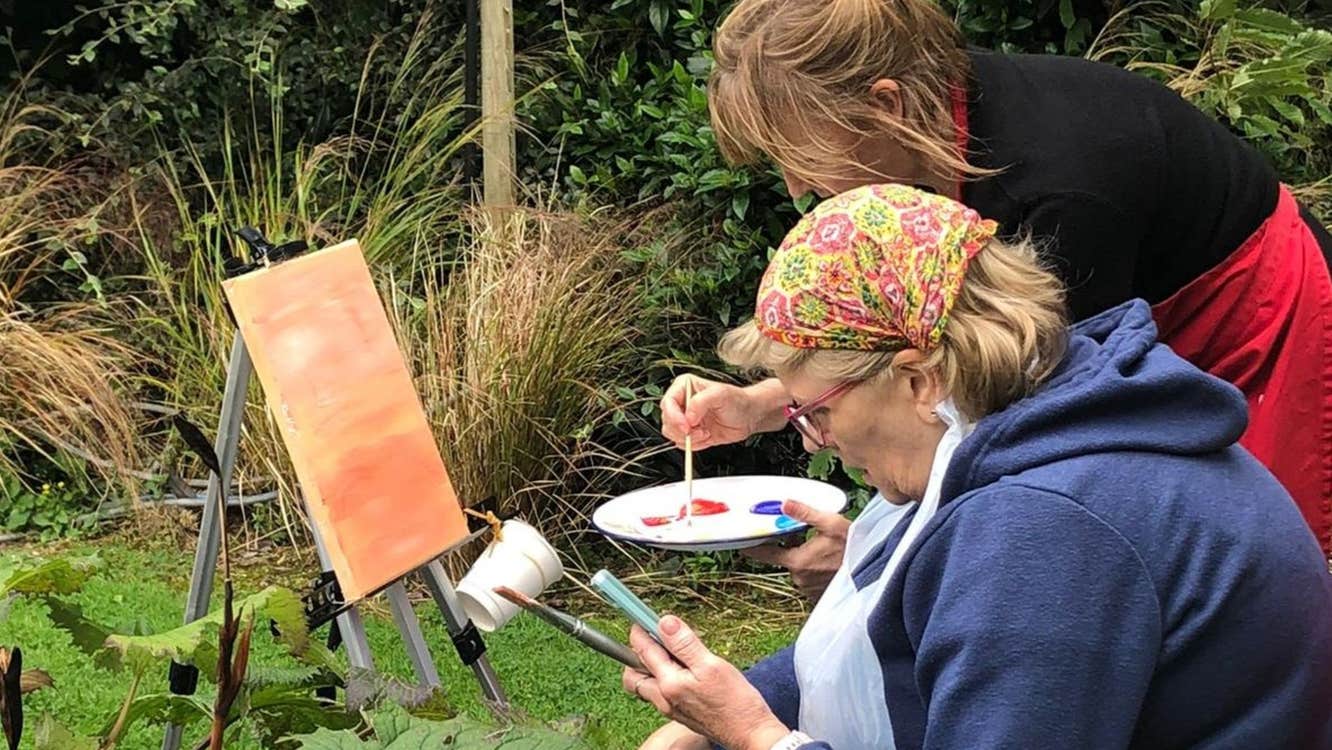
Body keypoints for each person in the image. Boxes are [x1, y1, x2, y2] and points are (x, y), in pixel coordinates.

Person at [662, 0, 1332, 597]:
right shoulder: (936, 118)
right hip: (1137, 316)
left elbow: (1039, 434)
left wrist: (878, 553)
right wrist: (763, 404)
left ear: (886, 103)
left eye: (800, 149)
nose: (796, 183)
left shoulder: (1057, 188)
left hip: (1264, 322)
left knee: (1284, 580)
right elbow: (911, 351)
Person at [628, 183, 1332, 750]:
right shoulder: (1045, 409)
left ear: (918, 380)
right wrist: (704, 727)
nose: (816, 440)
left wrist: (754, 737)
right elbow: (894, 641)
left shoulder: (1047, 525)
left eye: (818, 411)